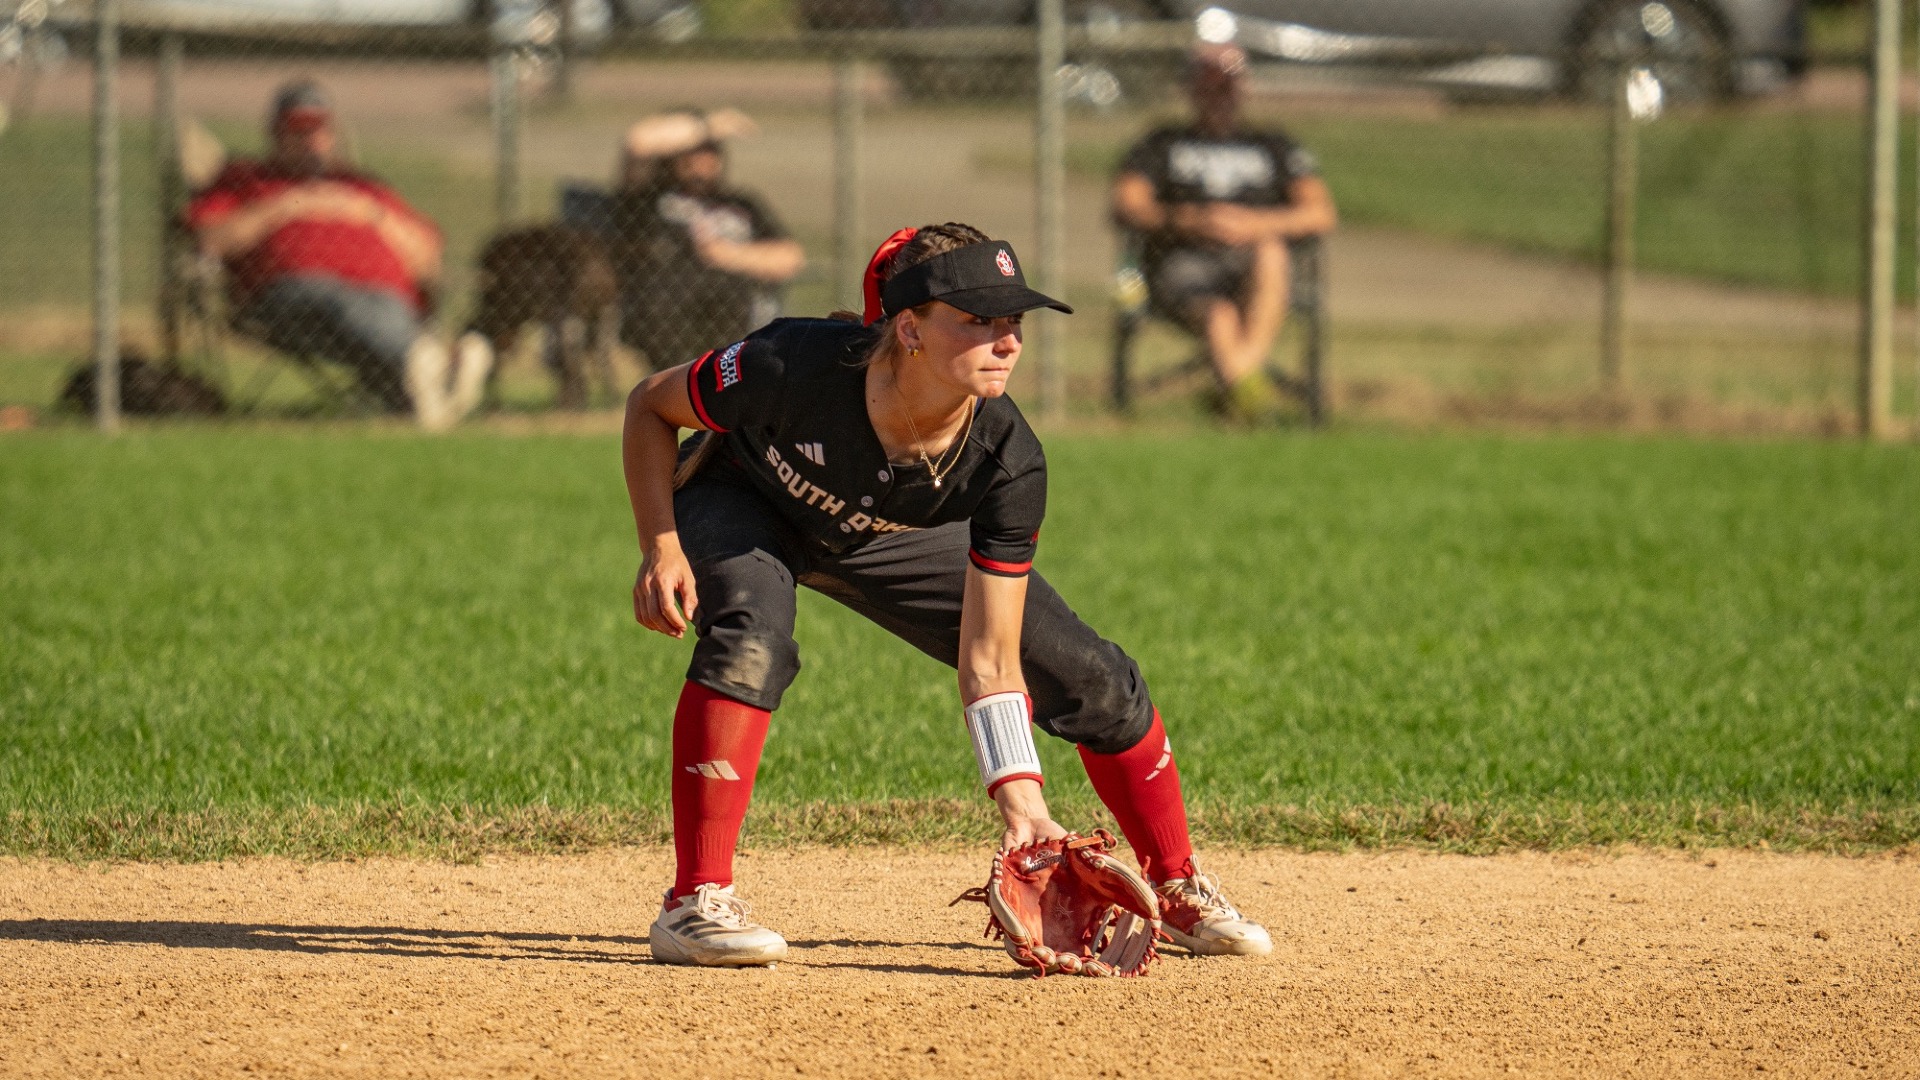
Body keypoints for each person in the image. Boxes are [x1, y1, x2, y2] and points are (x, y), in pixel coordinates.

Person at [622, 222, 1273, 967]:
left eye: (1014, 321)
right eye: (977, 319)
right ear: (909, 329)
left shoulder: (1007, 460)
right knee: (752, 638)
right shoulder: (791, 363)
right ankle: (695, 904)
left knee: (1087, 672)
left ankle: (1177, 884)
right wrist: (662, 545)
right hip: (749, 502)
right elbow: (651, 405)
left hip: (889, 533)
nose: (1007, 340)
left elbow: (992, 660)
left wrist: (1023, 807)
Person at [184, 81, 488, 429]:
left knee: (377, 307)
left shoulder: (361, 185)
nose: (311, 141)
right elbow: (211, 238)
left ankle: (426, 383)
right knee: (341, 303)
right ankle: (432, 364)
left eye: (320, 130)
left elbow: (428, 254)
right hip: (293, 298)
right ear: (275, 135)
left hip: (386, 298)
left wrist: (369, 213)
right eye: (298, 131)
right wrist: (289, 205)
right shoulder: (245, 179)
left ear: (333, 135)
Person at [1110, 43, 1337, 419]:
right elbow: (1126, 204)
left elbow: (1320, 212)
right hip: (1181, 263)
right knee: (1219, 317)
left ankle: (1237, 393)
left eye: (1227, 86)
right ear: (1191, 89)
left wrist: (1254, 225)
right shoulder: (1162, 143)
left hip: (1255, 266)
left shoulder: (1273, 145)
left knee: (1271, 250)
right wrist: (1191, 220)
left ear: (1243, 89)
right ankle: (1249, 397)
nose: (1219, 96)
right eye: (1209, 86)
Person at [610, 108, 806, 372]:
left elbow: (790, 257)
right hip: (667, 300)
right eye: (691, 152)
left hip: (731, 299)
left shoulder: (741, 203)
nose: (701, 161)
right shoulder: (649, 199)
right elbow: (639, 142)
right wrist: (708, 126)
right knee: (665, 304)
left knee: (731, 304)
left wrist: (728, 255)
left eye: (709, 151)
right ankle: (683, 383)